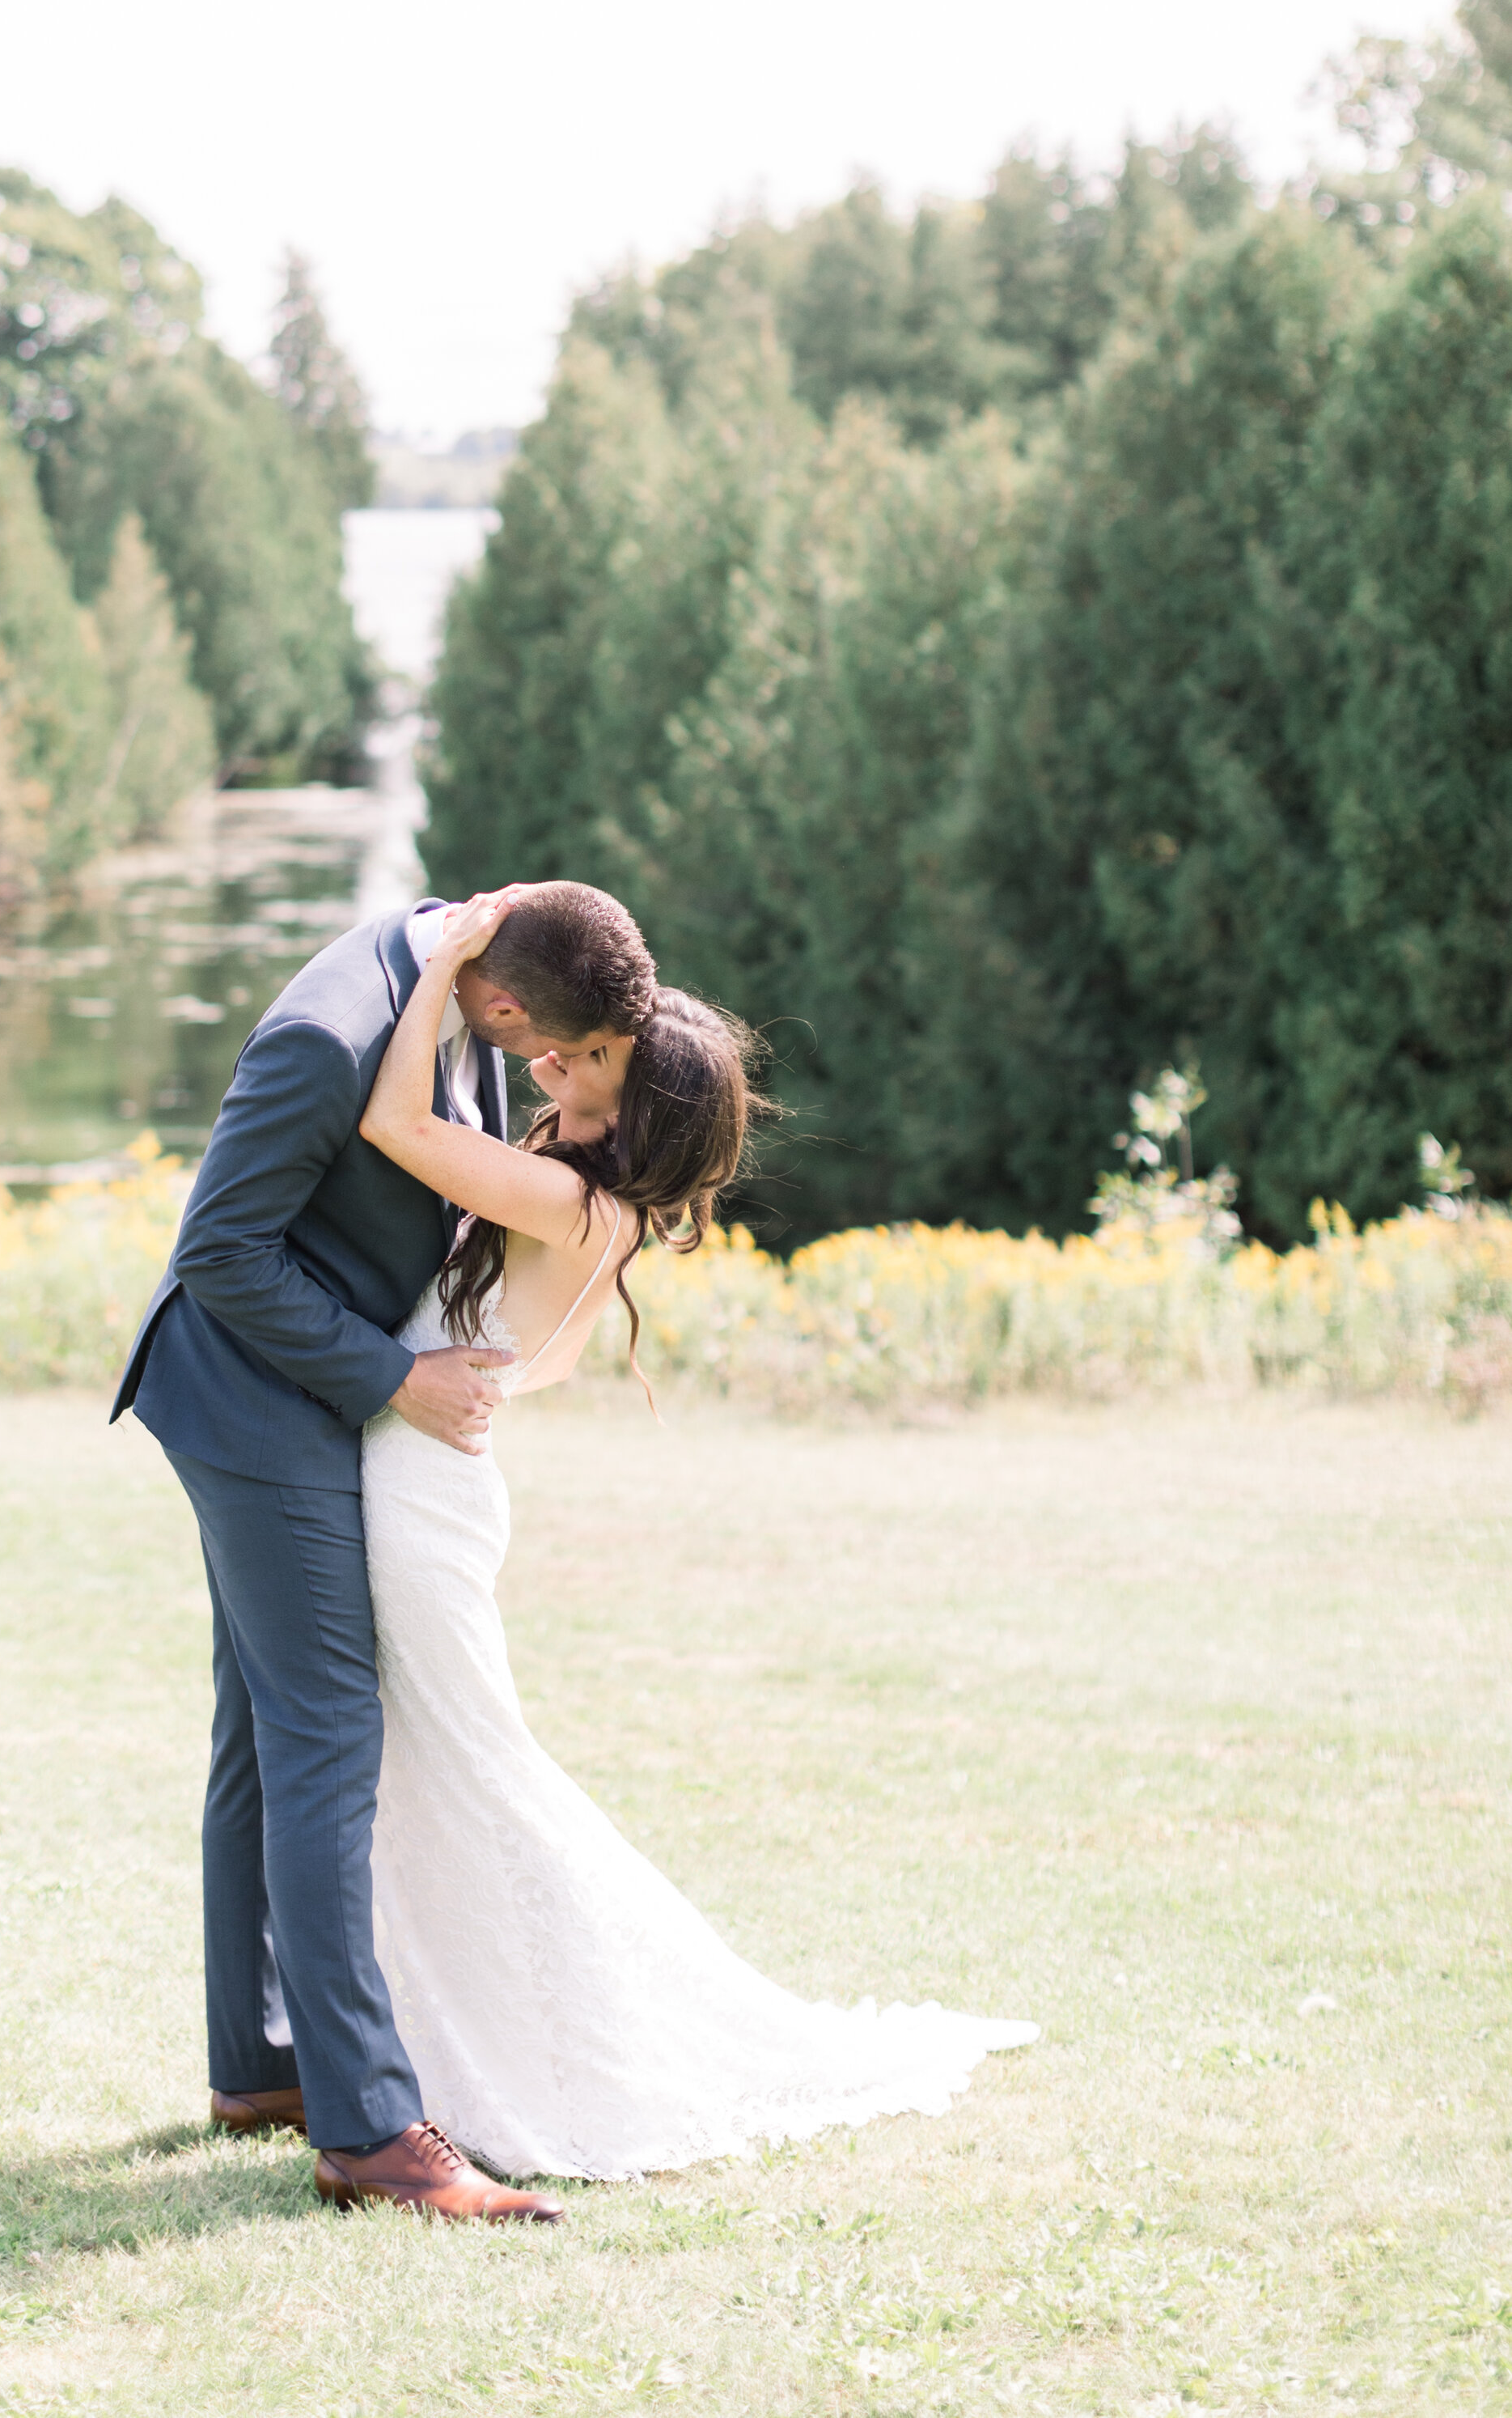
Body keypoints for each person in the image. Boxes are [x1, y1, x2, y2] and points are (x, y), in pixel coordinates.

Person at [353, 887, 1036, 2183]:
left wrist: (444, 968)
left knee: (466, 1779)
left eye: (590, 1060)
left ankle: (496, 2059)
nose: (555, 1054)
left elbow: (396, 1124)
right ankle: (430, 2049)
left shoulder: (565, 1202)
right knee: (442, 1775)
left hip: (420, 1504)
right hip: (436, 1488)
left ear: (633, 1113)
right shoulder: (583, 1200)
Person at [110, 880, 657, 2223]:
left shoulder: (457, 975)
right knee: (326, 1736)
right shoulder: (330, 1032)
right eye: (566, 1054)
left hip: (298, 1399)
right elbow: (219, 1251)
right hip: (257, 1397)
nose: (555, 1079)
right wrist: (393, 1380)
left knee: (260, 1729)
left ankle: (265, 2065)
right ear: (514, 1003)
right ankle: (367, 2128)